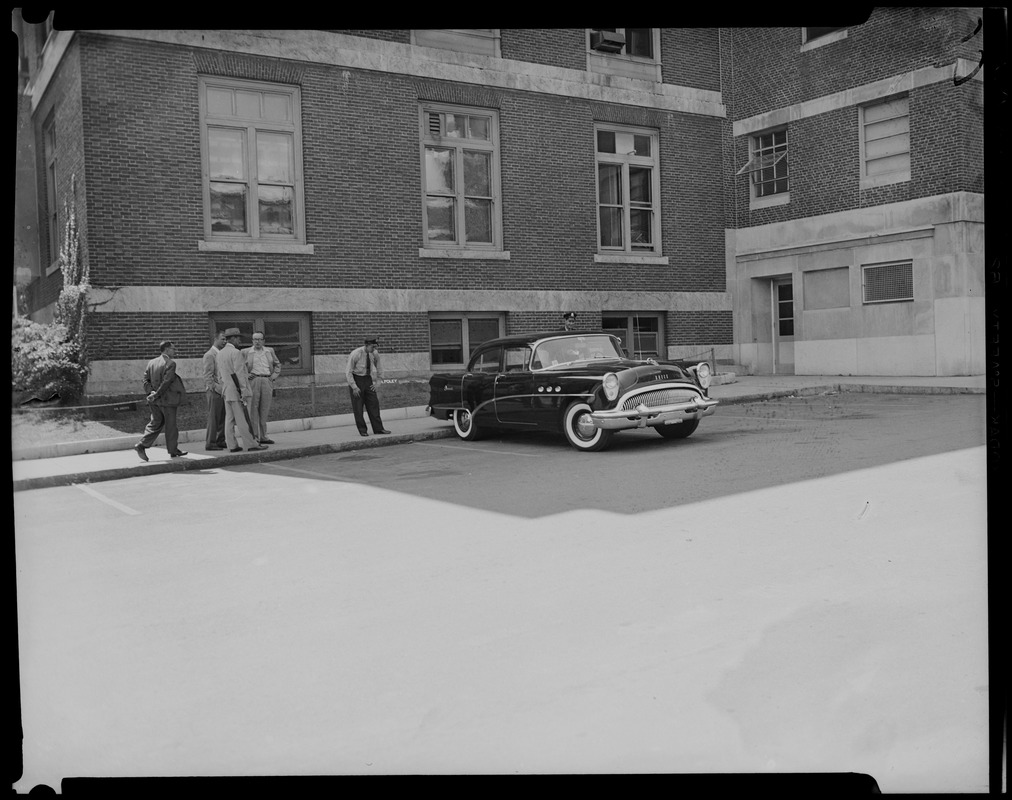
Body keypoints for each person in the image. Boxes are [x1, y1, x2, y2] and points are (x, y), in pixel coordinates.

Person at [134, 340, 188, 460]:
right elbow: (166, 382)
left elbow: (145, 380)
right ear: (167, 350)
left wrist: (151, 393)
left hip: (154, 401)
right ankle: (173, 450)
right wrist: (156, 394)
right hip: (167, 400)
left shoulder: (151, 362)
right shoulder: (170, 363)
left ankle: (141, 445)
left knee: (156, 423)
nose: (175, 351)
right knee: (171, 426)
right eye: (173, 349)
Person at [216, 328, 266, 452]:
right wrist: (243, 391)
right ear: (232, 339)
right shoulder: (235, 353)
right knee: (243, 419)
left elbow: (219, 375)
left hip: (227, 391)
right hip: (237, 391)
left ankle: (232, 445)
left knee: (230, 419)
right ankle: (250, 444)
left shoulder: (220, 353)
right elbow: (240, 374)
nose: (239, 340)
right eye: (238, 338)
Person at [345, 336, 391, 437]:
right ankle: (362, 430)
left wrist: (378, 382)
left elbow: (379, 367)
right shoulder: (356, 354)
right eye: (372, 347)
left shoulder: (374, 353)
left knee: (374, 404)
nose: (374, 349)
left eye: (375, 347)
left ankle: (378, 429)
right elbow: (348, 372)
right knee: (358, 407)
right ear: (366, 345)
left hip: (368, 379)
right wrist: (354, 387)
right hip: (356, 379)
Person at [243, 331, 282, 444]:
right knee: (253, 410)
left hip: (266, 380)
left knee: (264, 409)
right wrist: (246, 375)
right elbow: (240, 367)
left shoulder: (269, 351)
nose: (257, 342)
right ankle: (255, 437)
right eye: (255, 339)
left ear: (263, 341)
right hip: (253, 381)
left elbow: (277, 364)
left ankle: (264, 436)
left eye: (260, 339)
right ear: (252, 341)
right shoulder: (245, 352)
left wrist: (273, 376)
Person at [202, 330, 228, 450]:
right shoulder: (210, 355)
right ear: (215, 339)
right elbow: (208, 375)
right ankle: (211, 442)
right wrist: (214, 388)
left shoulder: (222, 353)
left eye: (225, 339)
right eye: (222, 339)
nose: (224, 341)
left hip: (223, 390)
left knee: (223, 416)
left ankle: (220, 440)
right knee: (214, 417)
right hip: (215, 391)